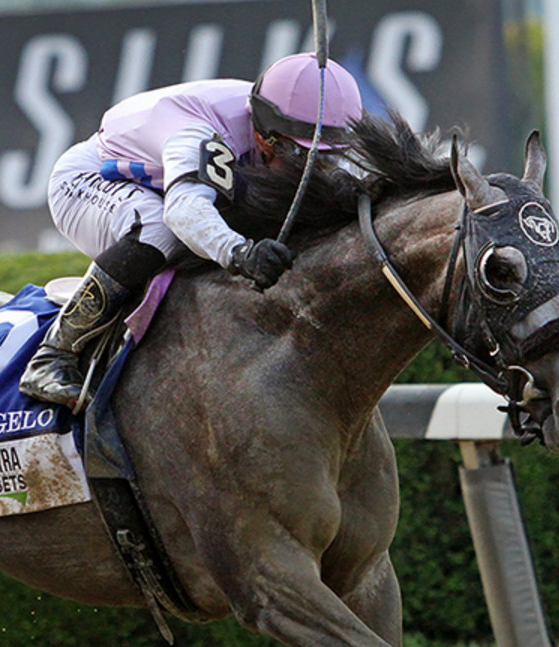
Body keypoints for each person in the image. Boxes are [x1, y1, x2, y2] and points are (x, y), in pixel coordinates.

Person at [19, 52, 364, 409]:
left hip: (161, 183)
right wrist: (240, 253)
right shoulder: (202, 133)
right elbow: (185, 211)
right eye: (303, 156)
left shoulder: (290, 121)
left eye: (327, 155)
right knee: (159, 229)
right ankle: (53, 356)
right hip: (92, 181)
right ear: (264, 138)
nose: (314, 168)